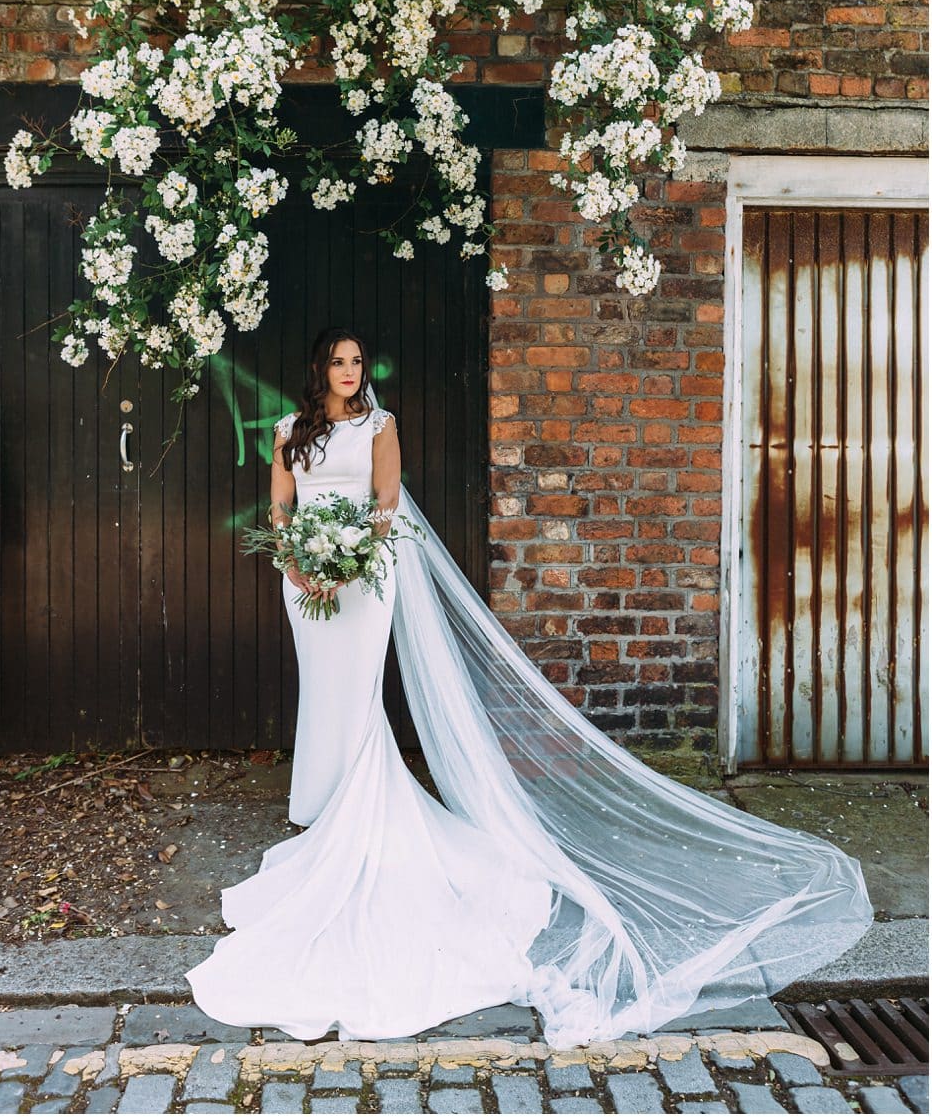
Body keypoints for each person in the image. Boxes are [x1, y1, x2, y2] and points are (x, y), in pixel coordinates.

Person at [184, 326, 873, 1048]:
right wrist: (296, 564)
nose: (351, 371)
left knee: (357, 700)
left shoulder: (382, 426)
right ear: (319, 367)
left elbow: (385, 506)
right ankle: (325, 814)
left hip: (365, 579)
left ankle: (358, 826)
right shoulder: (290, 431)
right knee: (322, 696)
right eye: (339, 361)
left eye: (358, 361)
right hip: (305, 586)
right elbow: (280, 510)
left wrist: (352, 564)